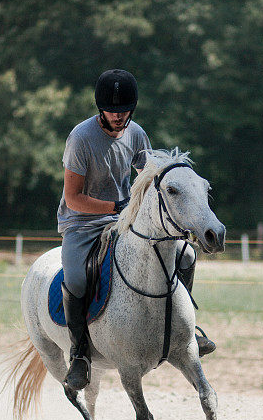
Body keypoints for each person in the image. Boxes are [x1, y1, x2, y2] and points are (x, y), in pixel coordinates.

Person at [57, 69, 216, 391]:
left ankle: (187, 332)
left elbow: (150, 181)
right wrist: (116, 207)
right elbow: (72, 198)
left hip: (126, 219)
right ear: (100, 108)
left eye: (124, 110)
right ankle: (79, 355)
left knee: (184, 253)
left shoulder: (137, 134)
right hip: (82, 222)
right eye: (112, 110)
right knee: (75, 278)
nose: (118, 116)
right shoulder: (81, 138)